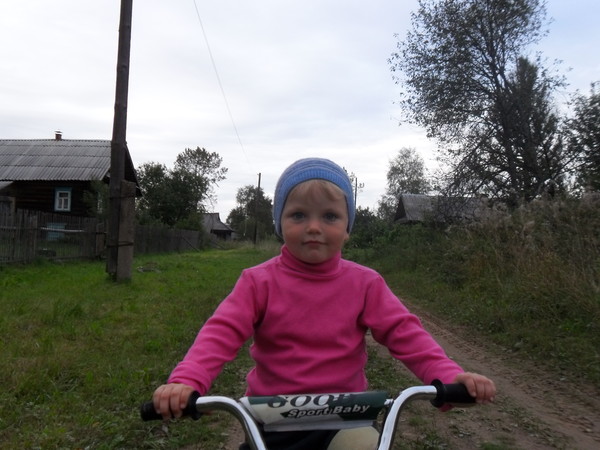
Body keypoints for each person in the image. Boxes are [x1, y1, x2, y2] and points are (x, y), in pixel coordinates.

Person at [152, 158, 496, 450]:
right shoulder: (258, 282)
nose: (314, 227)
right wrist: (187, 381)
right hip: (271, 422)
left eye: (330, 216)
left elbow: (405, 333)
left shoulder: (365, 283)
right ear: (280, 223)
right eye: (298, 215)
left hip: (346, 420)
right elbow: (220, 333)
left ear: (347, 228)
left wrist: (448, 376)